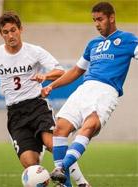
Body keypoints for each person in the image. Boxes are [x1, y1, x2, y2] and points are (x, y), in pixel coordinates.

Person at [40, 2, 138, 186]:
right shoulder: (92, 44)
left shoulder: (127, 39)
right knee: (60, 128)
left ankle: (61, 168)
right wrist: (51, 86)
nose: (97, 24)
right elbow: (76, 71)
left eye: (100, 19)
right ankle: (65, 183)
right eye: (94, 20)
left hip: (106, 90)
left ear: (111, 18)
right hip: (84, 88)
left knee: (91, 124)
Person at [0, 11, 90, 187]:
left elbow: (59, 71)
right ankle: (46, 173)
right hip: (16, 114)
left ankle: (81, 183)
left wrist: (45, 76)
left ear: (21, 29)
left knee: (53, 144)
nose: (10, 35)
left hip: (37, 107)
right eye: (6, 32)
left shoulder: (34, 51)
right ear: (0, 33)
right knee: (30, 165)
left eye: (13, 30)